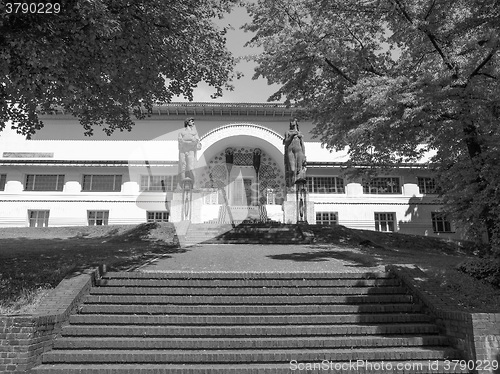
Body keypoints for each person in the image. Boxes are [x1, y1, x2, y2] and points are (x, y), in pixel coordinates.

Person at [283, 118, 306, 187]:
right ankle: (291, 186)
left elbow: (302, 145)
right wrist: (292, 135)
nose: (291, 122)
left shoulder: (300, 133)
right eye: (290, 121)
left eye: (293, 121)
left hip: (299, 152)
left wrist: (304, 156)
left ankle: (298, 187)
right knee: (292, 170)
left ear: (296, 122)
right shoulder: (288, 132)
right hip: (290, 152)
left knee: (299, 170)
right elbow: (286, 142)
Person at [178, 117, 200, 184]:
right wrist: (190, 142)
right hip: (183, 150)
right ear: (188, 122)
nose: (193, 123)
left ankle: (194, 184)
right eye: (191, 121)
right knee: (182, 166)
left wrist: (186, 142)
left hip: (191, 151)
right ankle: (182, 184)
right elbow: (180, 141)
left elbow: (196, 141)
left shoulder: (194, 132)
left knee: (191, 167)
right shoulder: (181, 132)